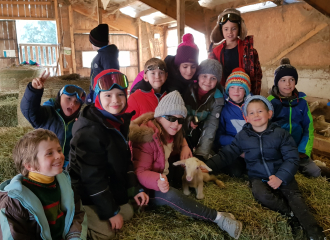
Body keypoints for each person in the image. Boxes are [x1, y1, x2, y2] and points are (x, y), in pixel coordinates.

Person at [206, 95, 326, 239]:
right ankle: (290, 213)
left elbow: (292, 158)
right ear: (246, 117)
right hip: (257, 176)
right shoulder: (243, 136)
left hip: (281, 172)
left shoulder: (281, 134)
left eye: (260, 111)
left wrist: (281, 177)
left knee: (296, 199)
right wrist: (206, 167)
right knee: (261, 194)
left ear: (269, 113)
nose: (256, 115)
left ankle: (315, 233)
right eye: (251, 113)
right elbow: (226, 155)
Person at [129, 91, 243, 240]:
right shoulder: (148, 137)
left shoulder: (168, 130)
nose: (176, 124)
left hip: (162, 173)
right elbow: (140, 171)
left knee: (187, 172)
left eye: (180, 120)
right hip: (144, 189)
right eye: (171, 118)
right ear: (159, 116)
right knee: (170, 194)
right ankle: (219, 218)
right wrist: (157, 179)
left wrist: (184, 146)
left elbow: (177, 139)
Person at [69, 69, 149, 239]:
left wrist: (135, 189)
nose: (115, 100)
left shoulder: (116, 121)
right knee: (107, 232)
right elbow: (92, 178)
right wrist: (111, 212)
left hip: (109, 184)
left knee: (128, 210)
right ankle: (76, 222)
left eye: (120, 94)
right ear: (97, 97)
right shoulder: (89, 131)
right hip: (85, 194)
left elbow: (125, 160)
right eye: (108, 95)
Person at [0, 129, 87, 239]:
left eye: (59, 150)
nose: (59, 156)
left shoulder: (65, 183)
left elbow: (77, 212)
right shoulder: (14, 202)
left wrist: (75, 237)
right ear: (30, 165)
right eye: (50, 153)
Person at [267, 58, 322, 178]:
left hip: (298, 150)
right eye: (283, 80)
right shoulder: (270, 103)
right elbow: (265, 128)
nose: (288, 84)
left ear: (295, 81)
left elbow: (309, 129)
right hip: (278, 152)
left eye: (291, 79)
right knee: (279, 174)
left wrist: (303, 150)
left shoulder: (302, 102)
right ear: (277, 82)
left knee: (315, 172)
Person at [20, 70, 86, 169]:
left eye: (76, 102)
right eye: (68, 99)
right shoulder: (47, 114)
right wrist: (34, 91)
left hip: (69, 167)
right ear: (59, 98)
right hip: (46, 165)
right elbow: (29, 111)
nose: (72, 103)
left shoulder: (80, 121)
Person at [209, 8, 262, 95]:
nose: (229, 32)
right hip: (223, 95)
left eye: (233, 28)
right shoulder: (215, 52)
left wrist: (254, 96)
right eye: (226, 29)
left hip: (244, 93)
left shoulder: (249, 51)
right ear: (221, 31)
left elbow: (257, 76)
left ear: (239, 29)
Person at [213, 68, 251, 177]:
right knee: (236, 172)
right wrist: (238, 145)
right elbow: (219, 135)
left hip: (251, 146)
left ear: (246, 91)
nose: (236, 91)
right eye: (232, 87)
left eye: (241, 88)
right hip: (232, 146)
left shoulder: (253, 106)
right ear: (227, 90)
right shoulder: (224, 109)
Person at [183, 59, 224, 160]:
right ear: (198, 76)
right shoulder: (187, 91)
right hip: (182, 133)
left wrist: (201, 154)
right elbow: (178, 115)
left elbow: (211, 126)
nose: (208, 81)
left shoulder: (217, 99)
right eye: (204, 76)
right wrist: (188, 121)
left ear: (217, 81)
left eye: (213, 78)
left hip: (200, 135)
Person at [87, 24, 120, 103]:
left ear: (96, 43)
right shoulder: (102, 55)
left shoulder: (107, 56)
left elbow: (111, 76)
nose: (91, 45)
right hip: (98, 91)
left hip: (103, 94)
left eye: (91, 42)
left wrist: (108, 96)